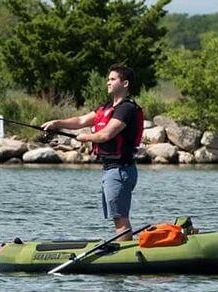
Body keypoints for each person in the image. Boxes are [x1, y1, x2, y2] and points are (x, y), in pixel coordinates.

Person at [41, 64, 144, 241]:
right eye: (108, 79)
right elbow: (81, 120)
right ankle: (122, 251)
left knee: (120, 218)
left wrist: (85, 138)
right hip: (111, 170)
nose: (108, 82)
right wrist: (57, 123)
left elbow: (106, 134)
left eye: (112, 79)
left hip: (120, 170)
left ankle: (124, 257)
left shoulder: (126, 109)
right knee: (117, 217)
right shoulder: (105, 108)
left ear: (125, 83)